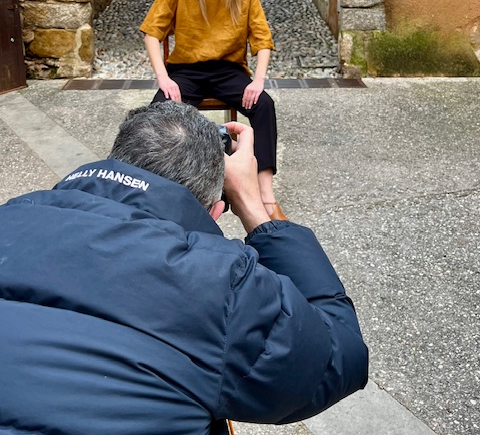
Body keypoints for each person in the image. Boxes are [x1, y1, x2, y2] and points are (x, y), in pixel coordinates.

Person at [0, 101, 368, 435]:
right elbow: (341, 355)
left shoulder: (10, 216)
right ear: (215, 210)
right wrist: (253, 206)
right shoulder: (221, 282)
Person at [140, 0, 285, 221]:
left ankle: (266, 195)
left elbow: (262, 40)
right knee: (158, 114)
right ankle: (160, 191)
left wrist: (258, 81)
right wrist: (164, 78)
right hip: (186, 72)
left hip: (228, 71)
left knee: (264, 105)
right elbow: (152, 34)